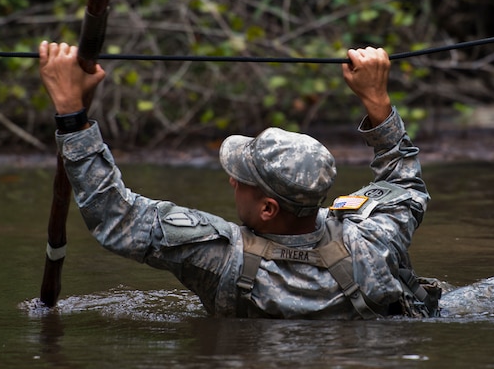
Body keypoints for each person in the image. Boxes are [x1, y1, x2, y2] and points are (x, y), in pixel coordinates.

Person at [38, 40, 440, 319]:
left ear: (268, 209)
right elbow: (405, 185)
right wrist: (377, 99)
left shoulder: (219, 258)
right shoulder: (375, 240)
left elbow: (116, 217)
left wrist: (71, 112)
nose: (231, 181)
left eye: (241, 178)